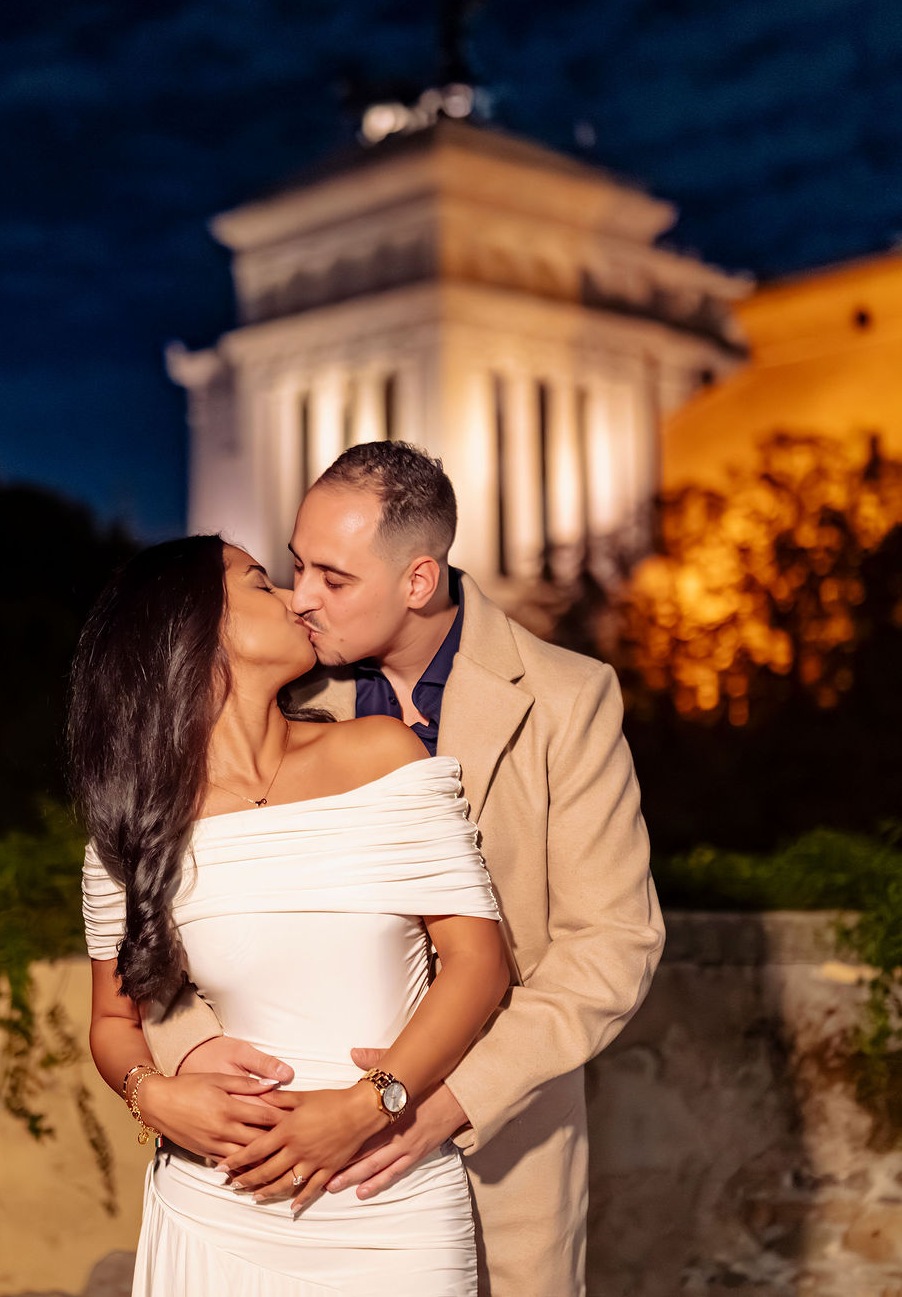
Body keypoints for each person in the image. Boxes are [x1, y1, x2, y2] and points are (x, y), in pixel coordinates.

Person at [140, 441, 666, 1296]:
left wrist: (432, 1101)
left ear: (418, 580)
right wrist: (188, 1060)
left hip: (497, 1146)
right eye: (295, 565)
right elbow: (176, 911)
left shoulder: (567, 698)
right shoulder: (287, 696)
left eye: (333, 579)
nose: (301, 597)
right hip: (281, 1170)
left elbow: (612, 946)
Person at [72, 534, 512, 1294]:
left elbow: (479, 965)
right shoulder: (135, 825)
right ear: (195, 627)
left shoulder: (381, 756)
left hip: (387, 1192)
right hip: (217, 1206)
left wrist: (367, 1106)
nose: (296, 598)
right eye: (260, 584)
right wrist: (157, 1095)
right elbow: (114, 1023)